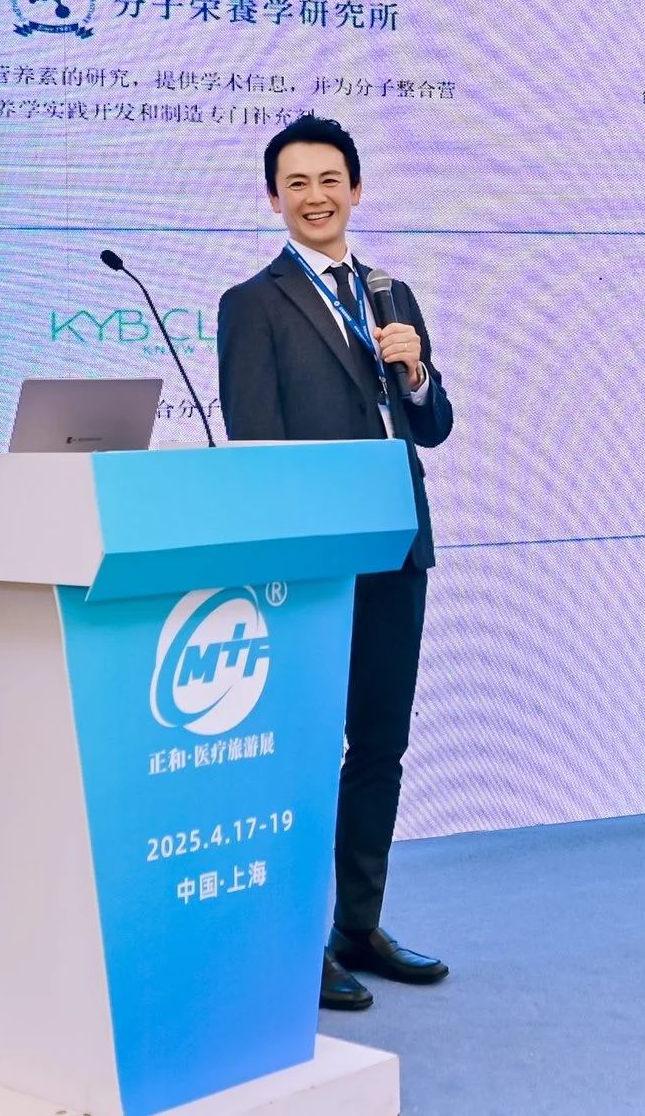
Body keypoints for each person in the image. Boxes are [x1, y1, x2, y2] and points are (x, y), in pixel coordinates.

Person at [215, 114, 455, 1012]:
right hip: (315, 563)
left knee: (380, 745)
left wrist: (419, 372)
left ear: (356, 189)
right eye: (296, 182)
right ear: (273, 197)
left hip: (398, 544)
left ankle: (359, 924)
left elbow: (432, 424)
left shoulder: (392, 294)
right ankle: (294, 942)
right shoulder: (254, 303)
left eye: (330, 179)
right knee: (307, 753)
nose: (316, 196)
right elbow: (258, 446)